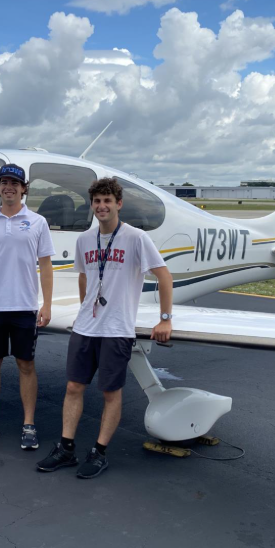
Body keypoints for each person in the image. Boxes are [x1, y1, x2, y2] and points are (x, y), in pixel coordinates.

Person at [37, 177, 173, 478]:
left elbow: (164, 276)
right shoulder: (85, 240)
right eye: (97, 201)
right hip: (86, 327)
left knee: (110, 392)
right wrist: (87, 307)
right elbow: (85, 276)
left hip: (117, 329)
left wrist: (165, 318)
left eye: (107, 201)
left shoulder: (136, 238)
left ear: (118, 204)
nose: (102, 206)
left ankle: (99, 452)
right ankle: (66, 448)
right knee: (73, 387)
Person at [0, 163, 55, 450]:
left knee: (25, 365)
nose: (9, 188)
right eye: (4, 183)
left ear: (23, 188)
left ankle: (29, 424)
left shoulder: (38, 222)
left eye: (14, 184)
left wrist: (47, 304)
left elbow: (46, 265)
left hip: (24, 306)